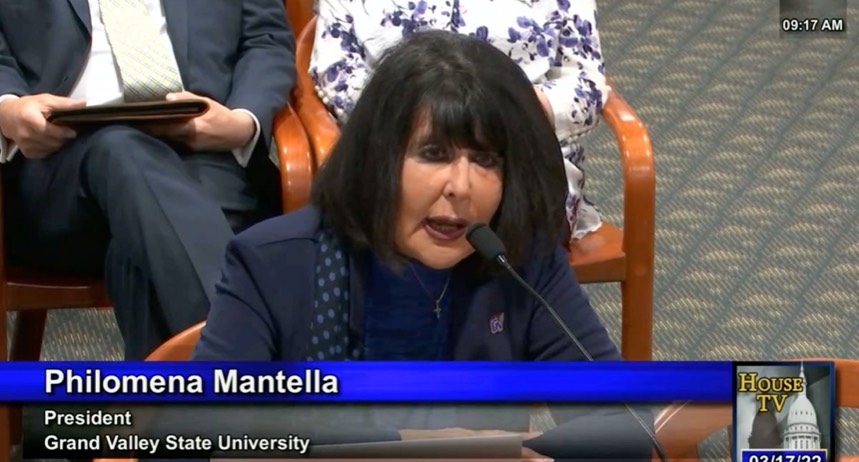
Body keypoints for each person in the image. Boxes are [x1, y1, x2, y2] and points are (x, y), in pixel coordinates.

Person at [193, 31, 651, 461]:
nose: (461, 187)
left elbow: (624, 424)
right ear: (378, 158)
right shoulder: (274, 261)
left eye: (486, 160)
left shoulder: (520, 258)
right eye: (434, 154)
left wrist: (517, 452)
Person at [0, 0, 295, 360]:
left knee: (145, 253)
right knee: (120, 150)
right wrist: (8, 108)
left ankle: (197, 387)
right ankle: (247, 363)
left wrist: (242, 122)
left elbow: (265, 38)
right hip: (59, 167)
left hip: (202, 153)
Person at [309, 0, 609, 242]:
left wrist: (502, 116)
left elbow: (587, 85)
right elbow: (336, 71)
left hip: (518, 147)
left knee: (519, 220)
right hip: (394, 144)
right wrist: (426, 121)